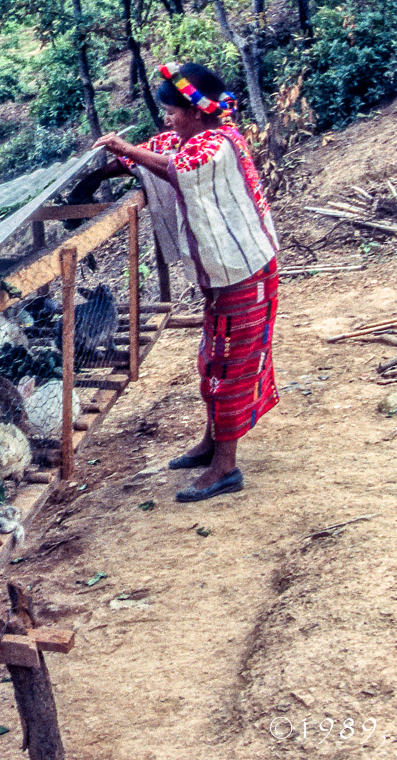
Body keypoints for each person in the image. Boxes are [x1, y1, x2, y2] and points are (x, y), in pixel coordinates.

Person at [79, 62, 280, 503]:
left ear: (195, 110)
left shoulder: (217, 144)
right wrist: (98, 168)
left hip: (245, 272)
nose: (166, 118)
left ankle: (226, 467)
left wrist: (125, 149)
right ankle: (212, 444)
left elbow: (177, 168)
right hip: (224, 274)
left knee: (231, 367)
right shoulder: (188, 136)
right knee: (212, 360)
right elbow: (151, 154)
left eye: (171, 110)